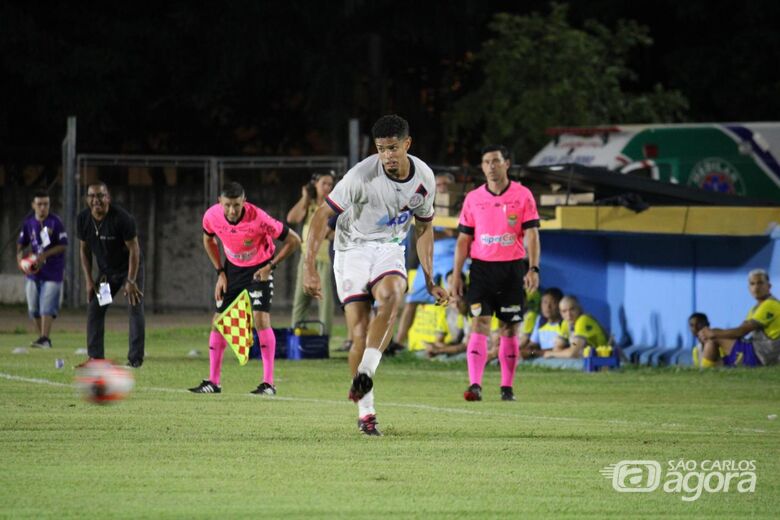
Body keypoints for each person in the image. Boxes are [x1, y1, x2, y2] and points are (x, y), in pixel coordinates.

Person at [303, 114, 448, 436]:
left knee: (393, 293)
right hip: (351, 248)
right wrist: (310, 267)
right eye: (381, 149)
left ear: (407, 144)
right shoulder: (360, 176)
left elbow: (424, 226)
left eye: (393, 148)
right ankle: (366, 411)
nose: (387, 156)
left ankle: (366, 371)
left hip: (389, 247)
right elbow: (321, 215)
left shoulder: (424, 177)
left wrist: (429, 279)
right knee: (359, 332)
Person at [189, 182, 300, 394]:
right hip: (232, 270)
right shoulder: (211, 216)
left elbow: (294, 240)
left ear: (244, 201)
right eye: (228, 205)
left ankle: (268, 384)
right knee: (218, 322)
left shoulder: (259, 218)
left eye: (237, 205)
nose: (232, 210)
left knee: (260, 319)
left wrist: (270, 267)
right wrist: (220, 272)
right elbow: (208, 239)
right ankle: (214, 382)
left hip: (259, 269)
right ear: (220, 202)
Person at [450, 144, 541, 402]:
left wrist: (533, 268)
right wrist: (457, 274)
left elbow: (532, 234)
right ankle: (475, 385)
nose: (491, 166)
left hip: (512, 269)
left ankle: (506, 387)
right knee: (479, 322)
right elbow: (462, 240)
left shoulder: (523, 195)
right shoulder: (473, 198)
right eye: (486, 161)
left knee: (509, 328)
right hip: (481, 270)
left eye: (496, 161)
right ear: (482, 166)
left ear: (506, 164)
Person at [77, 181, 145, 367]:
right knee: (96, 309)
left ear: (108, 197)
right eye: (92, 196)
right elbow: (84, 250)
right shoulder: (83, 219)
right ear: (87, 199)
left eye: (100, 195)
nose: (96, 200)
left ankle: (135, 359)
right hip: (107, 273)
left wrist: (131, 280)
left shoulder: (122, 218)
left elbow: (135, 250)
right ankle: (95, 358)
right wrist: (89, 280)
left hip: (129, 269)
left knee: (134, 307)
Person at [388, 172, 458, 353]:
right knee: (412, 300)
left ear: (452, 187)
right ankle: (399, 342)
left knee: (454, 294)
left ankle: (457, 340)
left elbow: (454, 233)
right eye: (438, 184)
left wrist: (431, 232)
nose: (441, 187)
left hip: (453, 258)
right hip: (431, 259)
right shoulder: (427, 206)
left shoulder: (460, 206)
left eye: (445, 184)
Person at [16, 189, 68, 348]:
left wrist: (44, 255)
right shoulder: (28, 223)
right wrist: (20, 260)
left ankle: (45, 338)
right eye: (39, 204)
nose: (43, 207)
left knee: (47, 306)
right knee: (34, 308)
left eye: (46, 204)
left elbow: (63, 245)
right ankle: (42, 338)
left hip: (53, 271)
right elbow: (21, 243)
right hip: (33, 273)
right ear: (33, 205)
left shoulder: (56, 222)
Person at [287, 171, 336, 335]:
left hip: (325, 258)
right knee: (300, 298)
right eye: (324, 183)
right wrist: (305, 197)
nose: (328, 187)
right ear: (315, 185)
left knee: (325, 300)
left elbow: (335, 231)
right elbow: (292, 218)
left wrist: (327, 233)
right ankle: (296, 335)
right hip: (307, 259)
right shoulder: (310, 204)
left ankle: (324, 339)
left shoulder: (332, 206)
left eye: (330, 184)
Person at [698, 269, 780, 367]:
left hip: (762, 356)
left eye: (760, 283)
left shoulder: (770, 305)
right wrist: (713, 332)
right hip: (756, 352)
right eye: (752, 284)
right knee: (715, 338)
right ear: (749, 288)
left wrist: (712, 333)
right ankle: (713, 373)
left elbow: (741, 331)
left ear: (769, 286)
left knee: (714, 339)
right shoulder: (756, 308)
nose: (756, 287)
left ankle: (704, 374)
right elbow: (738, 332)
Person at [520, 287, 565, 359]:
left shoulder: (565, 323)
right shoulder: (540, 320)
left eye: (553, 303)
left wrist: (535, 352)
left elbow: (571, 346)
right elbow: (533, 344)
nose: (548, 307)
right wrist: (527, 350)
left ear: (560, 305)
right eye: (545, 302)